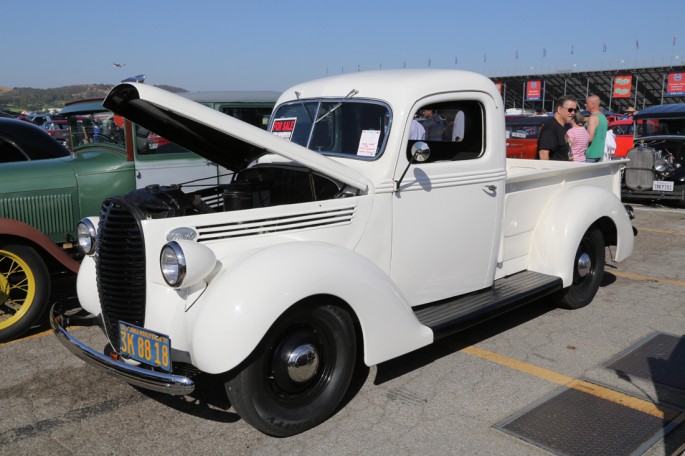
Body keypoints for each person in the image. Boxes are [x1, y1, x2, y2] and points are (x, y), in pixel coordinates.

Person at [536, 95, 577, 161]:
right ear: (559, 109)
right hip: (555, 170)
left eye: (575, 110)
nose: (573, 113)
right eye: (570, 110)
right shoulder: (551, 126)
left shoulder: (561, 126)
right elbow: (543, 153)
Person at [584, 95, 608, 163]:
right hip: (599, 154)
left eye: (587, 103)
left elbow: (589, 138)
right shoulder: (603, 117)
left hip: (590, 154)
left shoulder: (593, 118)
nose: (585, 105)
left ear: (592, 105)